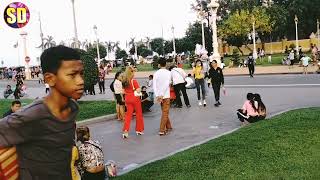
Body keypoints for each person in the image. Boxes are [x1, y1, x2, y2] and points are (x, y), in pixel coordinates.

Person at [0, 45, 84, 179]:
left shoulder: (73, 108)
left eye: (81, 74)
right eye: (72, 75)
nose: (81, 81)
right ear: (50, 79)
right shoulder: (32, 115)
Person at [121, 66, 144, 138]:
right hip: (135, 99)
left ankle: (125, 131)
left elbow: (123, 91)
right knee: (138, 114)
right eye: (133, 71)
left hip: (127, 98)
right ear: (131, 72)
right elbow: (138, 90)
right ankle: (139, 130)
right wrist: (139, 89)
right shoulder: (134, 81)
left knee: (128, 115)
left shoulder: (124, 81)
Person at [153, 58, 173, 136]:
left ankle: (169, 126)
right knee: (165, 112)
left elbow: (154, 86)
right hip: (165, 95)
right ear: (166, 64)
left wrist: (158, 95)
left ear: (159, 64)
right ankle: (162, 130)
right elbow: (167, 84)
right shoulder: (169, 73)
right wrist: (161, 95)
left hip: (159, 96)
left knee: (164, 111)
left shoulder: (156, 73)